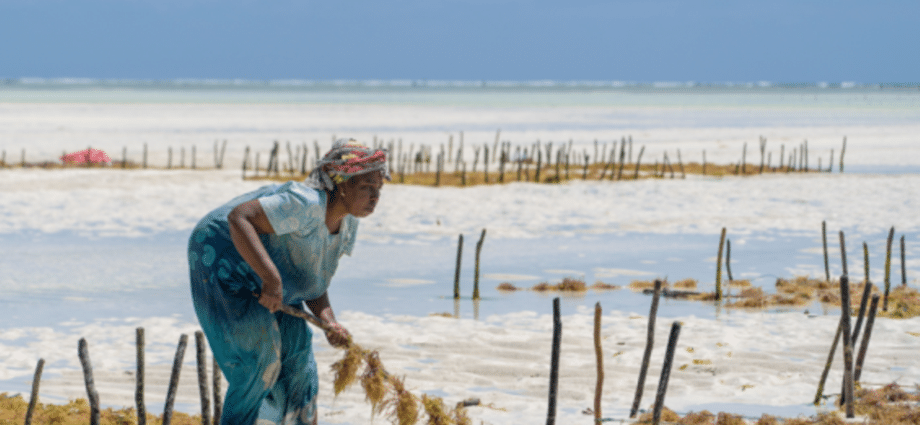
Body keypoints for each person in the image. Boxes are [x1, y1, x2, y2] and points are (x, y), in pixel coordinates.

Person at [188, 138, 387, 425]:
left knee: (301, 369)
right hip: (221, 257)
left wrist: (329, 321)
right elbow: (239, 218)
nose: (375, 196)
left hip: (272, 274)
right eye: (367, 187)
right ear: (342, 184)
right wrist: (271, 280)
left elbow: (313, 279)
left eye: (379, 188)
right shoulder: (304, 203)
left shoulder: (348, 224)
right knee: (260, 361)